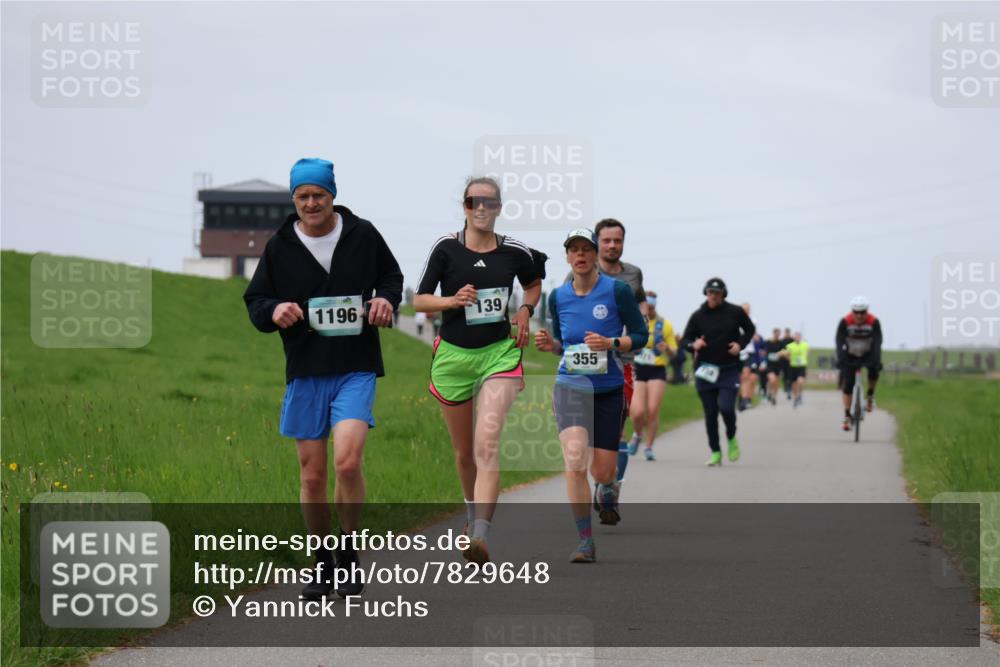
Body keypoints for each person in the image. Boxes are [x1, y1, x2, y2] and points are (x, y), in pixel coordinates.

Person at [243, 158, 403, 600]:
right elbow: (256, 301)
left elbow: (391, 277)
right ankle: (321, 561)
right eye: (303, 196)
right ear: (293, 199)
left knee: (347, 463)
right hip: (306, 369)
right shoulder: (280, 246)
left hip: (356, 365)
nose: (311, 203)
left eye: (319, 194)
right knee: (312, 475)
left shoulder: (362, 234)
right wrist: (274, 310)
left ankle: (349, 555)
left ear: (333, 195)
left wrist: (386, 300)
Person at [415, 176, 542, 565]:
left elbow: (533, 284)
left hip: (498, 356)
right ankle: (471, 518)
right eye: (474, 201)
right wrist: (451, 301)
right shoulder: (446, 247)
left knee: (486, 443)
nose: (481, 208)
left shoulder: (515, 250)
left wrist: (525, 310)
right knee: (464, 452)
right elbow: (420, 300)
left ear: (499, 207)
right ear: (465, 207)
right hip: (453, 358)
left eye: (489, 202)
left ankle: (481, 535)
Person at [535, 228, 646, 561]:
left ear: (596, 254)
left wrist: (612, 343)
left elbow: (640, 335)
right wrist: (550, 345)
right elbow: (562, 345)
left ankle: (607, 488)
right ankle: (585, 541)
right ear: (567, 256)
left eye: (587, 249)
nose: (580, 255)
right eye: (574, 250)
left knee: (602, 472)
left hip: (608, 389)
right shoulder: (557, 296)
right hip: (570, 386)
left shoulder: (617, 291)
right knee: (573, 459)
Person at [566, 219, 646, 487]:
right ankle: (601, 478)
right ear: (596, 244)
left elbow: (640, 301)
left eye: (617, 241)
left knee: (616, 429)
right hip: (583, 363)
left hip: (620, 362)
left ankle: (610, 487)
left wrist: (642, 317)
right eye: (607, 240)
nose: (612, 245)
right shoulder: (580, 270)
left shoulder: (633, 274)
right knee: (585, 433)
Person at [680, 278, 755, 467]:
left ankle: (731, 437)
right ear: (705, 293)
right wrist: (694, 344)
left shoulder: (735, 312)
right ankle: (715, 451)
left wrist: (740, 345)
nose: (713, 296)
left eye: (717, 293)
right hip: (705, 371)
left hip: (729, 370)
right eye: (710, 292)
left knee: (727, 408)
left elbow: (750, 330)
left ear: (723, 294)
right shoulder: (698, 316)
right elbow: (685, 340)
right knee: (710, 413)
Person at [627, 290, 676, 461]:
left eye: (651, 307)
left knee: (653, 409)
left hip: (657, 369)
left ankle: (648, 446)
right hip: (638, 368)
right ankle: (638, 434)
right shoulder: (635, 321)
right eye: (646, 307)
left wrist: (667, 349)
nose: (649, 310)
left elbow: (674, 352)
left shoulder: (665, 325)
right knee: (637, 412)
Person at [836, 296, 883, 431]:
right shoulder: (845, 321)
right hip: (851, 353)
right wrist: (840, 358)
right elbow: (839, 341)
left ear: (867, 311)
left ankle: (870, 395)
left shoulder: (873, 322)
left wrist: (876, 359)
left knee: (874, 370)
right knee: (848, 384)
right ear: (852, 311)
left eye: (862, 312)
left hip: (868, 352)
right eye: (856, 312)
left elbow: (878, 342)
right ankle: (847, 415)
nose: (859, 315)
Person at [737, 303, 758, 412]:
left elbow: (753, 334)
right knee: (739, 377)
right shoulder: (735, 319)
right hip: (737, 351)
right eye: (744, 309)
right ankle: (741, 397)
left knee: (746, 375)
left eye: (747, 309)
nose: (746, 311)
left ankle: (745, 399)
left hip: (748, 351)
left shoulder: (752, 321)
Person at [783, 331, 810, 408]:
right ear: (794, 338)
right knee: (794, 384)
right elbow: (786, 354)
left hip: (801, 366)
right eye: (796, 337)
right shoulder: (790, 346)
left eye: (799, 336)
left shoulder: (805, 345)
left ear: (800, 337)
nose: (797, 338)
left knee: (800, 381)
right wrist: (788, 357)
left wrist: (805, 357)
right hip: (793, 366)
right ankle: (796, 398)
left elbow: (808, 353)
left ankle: (800, 395)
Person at [762, 328, 788, 405]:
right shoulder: (767, 342)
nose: (777, 335)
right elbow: (763, 351)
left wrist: (781, 353)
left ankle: (774, 397)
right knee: (772, 379)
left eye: (779, 334)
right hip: (770, 365)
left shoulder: (781, 343)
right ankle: (769, 392)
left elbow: (786, 352)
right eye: (776, 334)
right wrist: (763, 358)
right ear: (773, 333)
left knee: (776, 382)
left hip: (778, 365)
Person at [781, 327, 795, 400]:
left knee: (790, 376)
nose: (787, 334)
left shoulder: (792, 340)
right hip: (784, 360)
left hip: (791, 361)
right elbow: (781, 350)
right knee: (785, 375)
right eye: (786, 333)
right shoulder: (782, 341)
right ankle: (785, 387)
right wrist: (785, 355)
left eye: (788, 333)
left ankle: (789, 388)